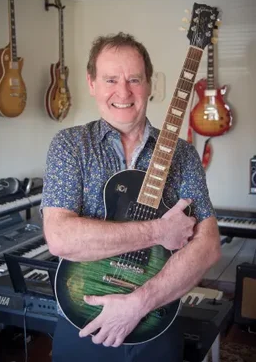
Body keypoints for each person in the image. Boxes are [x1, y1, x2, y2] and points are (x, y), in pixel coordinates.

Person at [41, 32, 221, 362]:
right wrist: (159, 232)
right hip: (81, 313)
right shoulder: (70, 146)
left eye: (134, 79)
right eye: (111, 79)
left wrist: (140, 303)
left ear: (149, 84)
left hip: (157, 322)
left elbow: (208, 246)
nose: (123, 92)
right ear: (92, 83)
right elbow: (60, 238)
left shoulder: (181, 155)